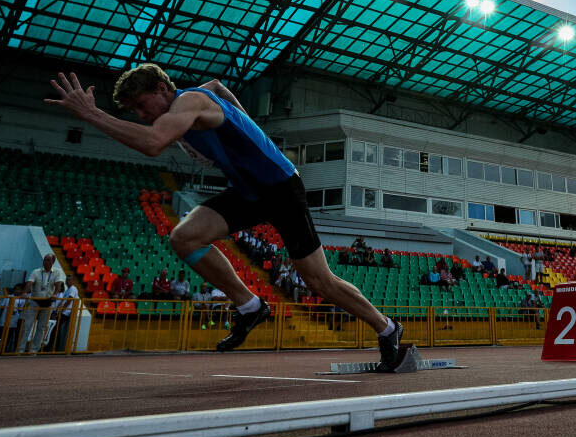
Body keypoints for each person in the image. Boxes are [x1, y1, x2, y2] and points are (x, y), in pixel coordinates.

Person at [45, 66, 404, 369]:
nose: (141, 114)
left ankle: (387, 328)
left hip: (280, 188)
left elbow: (153, 143)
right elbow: (217, 84)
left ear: (161, 88)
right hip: (248, 190)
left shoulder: (188, 102)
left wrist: (91, 114)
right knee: (183, 238)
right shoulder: (197, 97)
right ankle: (250, 305)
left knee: (319, 283)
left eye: (141, 105)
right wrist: (245, 122)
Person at [19, 254, 65, 354]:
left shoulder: (57, 272)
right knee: (27, 325)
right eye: (45, 260)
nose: (46, 262)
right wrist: (24, 292)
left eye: (48, 260)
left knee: (41, 328)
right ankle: (20, 349)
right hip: (35, 301)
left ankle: (34, 350)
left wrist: (56, 294)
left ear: (53, 262)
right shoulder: (36, 271)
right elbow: (29, 283)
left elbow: (58, 284)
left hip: (48, 302)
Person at [52, 276, 80, 352]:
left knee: (56, 330)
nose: (68, 281)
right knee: (57, 330)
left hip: (66, 313)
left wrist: (62, 310)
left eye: (69, 280)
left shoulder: (73, 289)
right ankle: (55, 347)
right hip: (63, 312)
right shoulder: (68, 290)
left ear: (73, 281)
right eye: (67, 280)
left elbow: (69, 300)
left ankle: (55, 348)